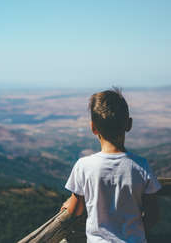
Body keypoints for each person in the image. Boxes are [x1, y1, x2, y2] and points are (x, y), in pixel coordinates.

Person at [61, 88, 161, 243]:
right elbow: (153, 215)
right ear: (129, 124)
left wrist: (68, 204)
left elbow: (76, 210)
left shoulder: (83, 166)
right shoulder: (142, 166)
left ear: (93, 127)